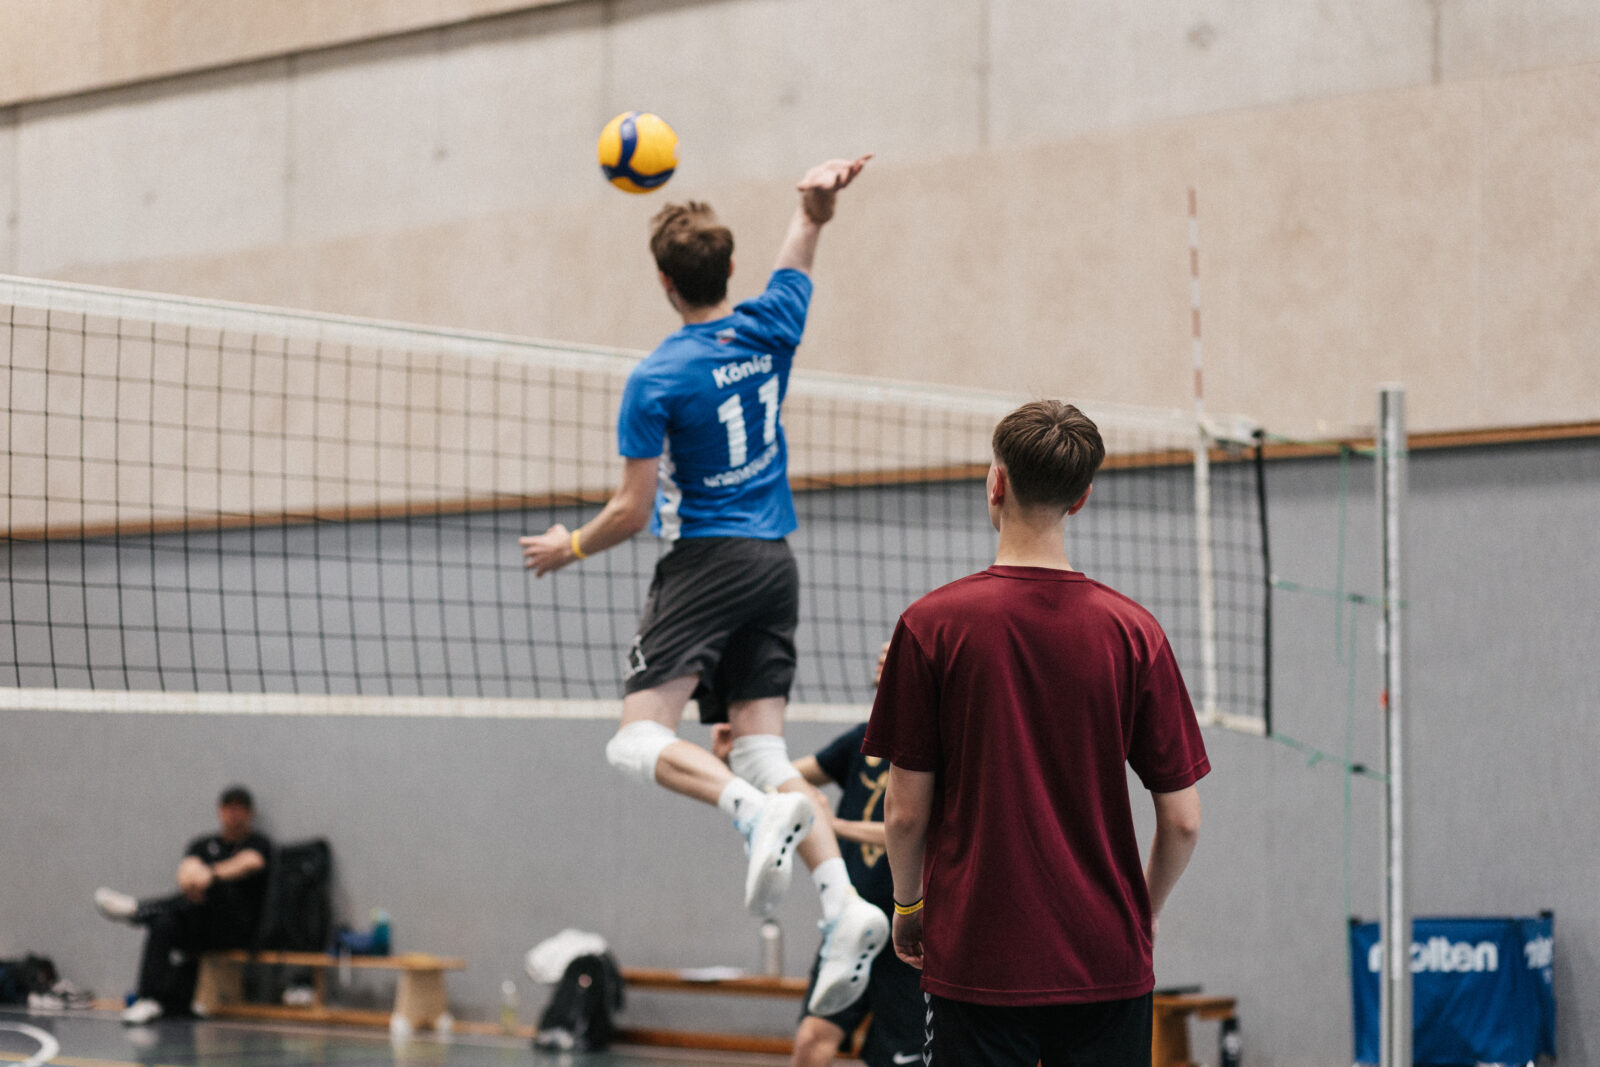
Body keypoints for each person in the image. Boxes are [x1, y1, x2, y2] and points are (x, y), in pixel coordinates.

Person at [519, 155, 884, 1015]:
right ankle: (845, 903)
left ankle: (750, 814)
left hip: (708, 561)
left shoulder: (657, 377)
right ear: (726, 271)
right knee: (759, 749)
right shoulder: (769, 326)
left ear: (663, 281)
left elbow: (633, 507)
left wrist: (566, 546)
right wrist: (814, 206)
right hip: (776, 563)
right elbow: (801, 250)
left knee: (636, 742)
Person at [864, 400, 1209, 1066]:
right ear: (1082, 497)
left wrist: (910, 905)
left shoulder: (931, 625)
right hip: (1107, 953)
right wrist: (1143, 910)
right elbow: (1184, 821)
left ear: (996, 482)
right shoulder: (1134, 631)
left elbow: (905, 813)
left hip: (978, 956)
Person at [715, 644, 923, 1067]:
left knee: (896, 1060)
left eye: (895, 652)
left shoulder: (941, 748)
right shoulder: (860, 740)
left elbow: (919, 831)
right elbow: (782, 780)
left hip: (911, 935)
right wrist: (736, 758)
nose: (883, 657)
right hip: (855, 931)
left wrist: (835, 825)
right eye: (881, 652)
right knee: (812, 1043)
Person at [94, 785, 272, 1025]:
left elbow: (250, 863)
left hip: (234, 929)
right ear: (220, 811)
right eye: (230, 808)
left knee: (210, 897)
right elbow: (186, 877)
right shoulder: (202, 844)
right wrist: (203, 878)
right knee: (164, 923)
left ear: (250, 813)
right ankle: (149, 999)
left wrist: (211, 874)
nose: (234, 814)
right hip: (196, 923)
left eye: (240, 809)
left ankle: (139, 910)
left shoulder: (259, 843)